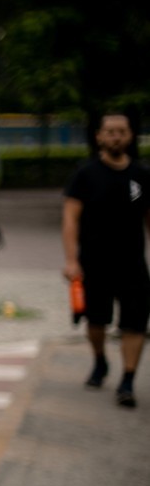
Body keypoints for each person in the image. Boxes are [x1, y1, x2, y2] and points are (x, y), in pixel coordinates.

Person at [62, 110, 150, 408]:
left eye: (121, 131)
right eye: (110, 131)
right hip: (95, 263)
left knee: (136, 323)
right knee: (96, 321)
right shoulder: (85, 175)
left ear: (130, 136)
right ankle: (100, 360)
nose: (116, 136)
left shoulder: (141, 175)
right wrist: (72, 260)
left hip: (133, 263)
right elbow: (70, 219)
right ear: (99, 136)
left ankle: (127, 380)